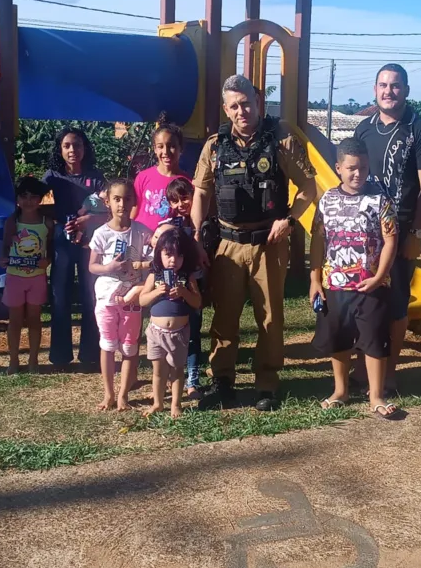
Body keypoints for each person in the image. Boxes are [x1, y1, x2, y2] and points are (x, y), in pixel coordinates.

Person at [191, 74, 317, 411]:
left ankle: (266, 384)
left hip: (268, 244)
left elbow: (308, 188)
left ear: (257, 100)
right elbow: (201, 190)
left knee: (270, 318)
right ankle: (223, 381)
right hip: (228, 244)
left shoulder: (281, 137)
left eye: (246, 103)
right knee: (225, 317)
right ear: (225, 108)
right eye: (234, 106)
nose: (241, 111)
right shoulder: (215, 144)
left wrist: (289, 220)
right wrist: (196, 232)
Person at [353, 63, 421, 392]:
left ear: (406, 90)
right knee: (365, 301)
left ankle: (389, 372)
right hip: (365, 232)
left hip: (402, 231)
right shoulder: (363, 130)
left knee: (396, 303)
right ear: (375, 90)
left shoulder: (419, 129)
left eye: (396, 85)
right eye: (383, 85)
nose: (389, 91)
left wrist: (417, 234)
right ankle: (364, 370)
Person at [310, 138, 399, 419]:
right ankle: (340, 390)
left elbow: (390, 240)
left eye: (362, 167)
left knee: (373, 340)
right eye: (351, 168)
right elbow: (317, 240)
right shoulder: (327, 200)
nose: (357, 174)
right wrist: (314, 280)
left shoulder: (380, 200)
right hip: (334, 285)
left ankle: (376, 395)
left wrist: (380, 276)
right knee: (338, 339)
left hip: (370, 286)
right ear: (338, 168)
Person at [42, 127, 107, 370]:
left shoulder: (96, 177)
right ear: (60, 150)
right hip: (61, 241)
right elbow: (38, 206)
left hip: (91, 242)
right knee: (60, 297)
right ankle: (60, 356)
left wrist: (89, 220)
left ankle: (91, 354)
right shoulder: (51, 177)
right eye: (67, 146)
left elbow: (109, 211)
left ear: (85, 148)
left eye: (77, 145)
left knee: (91, 295)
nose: (73, 150)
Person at [88, 179, 153, 411]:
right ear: (107, 202)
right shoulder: (101, 233)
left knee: (129, 347)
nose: (121, 204)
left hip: (132, 300)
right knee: (107, 345)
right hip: (106, 300)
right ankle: (108, 393)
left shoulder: (142, 231)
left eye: (127, 199)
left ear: (134, 201)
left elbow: (155, 257)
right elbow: (92, 266)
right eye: (116, 199)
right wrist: (109, 269)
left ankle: (124, 394)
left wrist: (140, 265)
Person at [138, 228, 203, 418]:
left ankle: (176, 404)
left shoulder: (187, 277)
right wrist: (157, 292)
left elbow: (198, 302)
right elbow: (142, 300)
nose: (173, 260)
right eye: (168, 255)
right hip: (156, 332)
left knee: (176, 371)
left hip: (179, 333)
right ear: (159, 254)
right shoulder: (154, 275)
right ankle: (158, 403)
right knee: (158, 371)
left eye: (178, 255)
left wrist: (184, 293)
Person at [150, 177, 205, 398]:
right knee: (170, 332)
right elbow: (157, 241)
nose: (180, 204)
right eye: (174, 201)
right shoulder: (170, 224)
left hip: (195, 282)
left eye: (185, 198)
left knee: (194, 331)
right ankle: (164, 381)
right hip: (169, 288)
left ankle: (193, 379)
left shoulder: (202, 222)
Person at [0, 176, 53, 374]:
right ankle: (13, 360)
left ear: (40, 199)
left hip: (37, 278)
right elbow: (4, 246)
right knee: (14, 320)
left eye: (33, 196)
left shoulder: (47, 223)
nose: (28, 201)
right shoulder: (12, 222)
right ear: (17, 199)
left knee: (34, 319)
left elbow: (51, 249)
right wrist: (3, 258)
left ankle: (33, 361)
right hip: (14, 277)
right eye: (24, 196)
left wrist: (46, 261)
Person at [132, 115, 189, 233]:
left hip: (168, 246)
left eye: (172, 146)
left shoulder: (188, 182)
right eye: (160, 146)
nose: (166, 152)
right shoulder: (143, 177)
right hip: (142, 242)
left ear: (181, 148)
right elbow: (134, 210)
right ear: (155, 149)